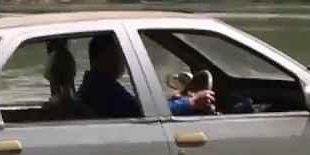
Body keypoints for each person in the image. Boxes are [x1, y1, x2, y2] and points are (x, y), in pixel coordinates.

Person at [78, 34, 215, 118]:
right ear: (105, 57)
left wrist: (172, 100)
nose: (124, 60)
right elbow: (145, 114)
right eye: (120, 54)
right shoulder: (105, 90)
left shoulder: (96, 85)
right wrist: (191, 102)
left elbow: (138, 108)